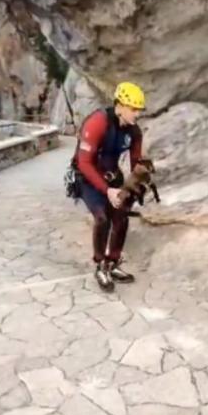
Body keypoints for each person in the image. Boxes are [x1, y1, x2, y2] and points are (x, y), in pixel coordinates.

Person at [72, 81, 146, 291]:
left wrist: (138, 181)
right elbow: (84, 162)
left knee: (121, 216)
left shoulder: (134, 132)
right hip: (87, 177)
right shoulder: (97, 122)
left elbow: (136, 164)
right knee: (102, 218)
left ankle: (113, 263)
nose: (137, 114)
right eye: (133, 109)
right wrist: (107, 191)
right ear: (120, 106)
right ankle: (100, 265)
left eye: (139, 110)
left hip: (112, 176)